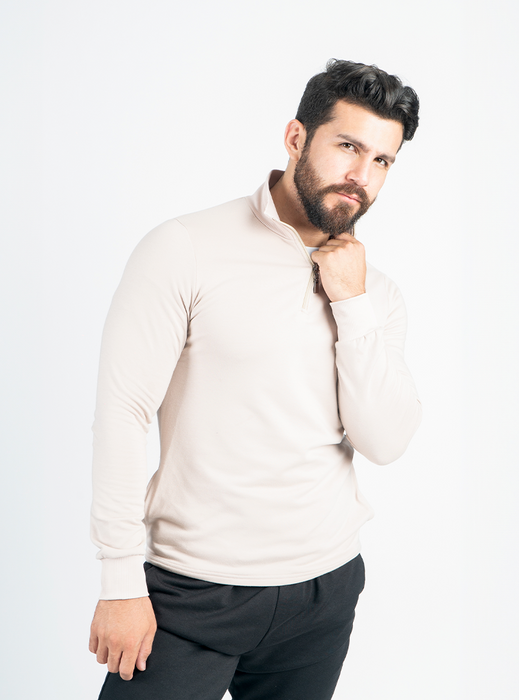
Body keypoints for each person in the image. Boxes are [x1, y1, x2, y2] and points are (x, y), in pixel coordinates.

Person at [89, 59, 422, 700]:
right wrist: (120, 581)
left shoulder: (377, 294)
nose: (361, 175)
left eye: (382, 159)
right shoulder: (184, 247)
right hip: (192, 589)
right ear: (296, 137)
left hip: (323, 591)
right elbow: (123, 413)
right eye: (347, 146)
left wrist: (351, 303)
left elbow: (384, 440)